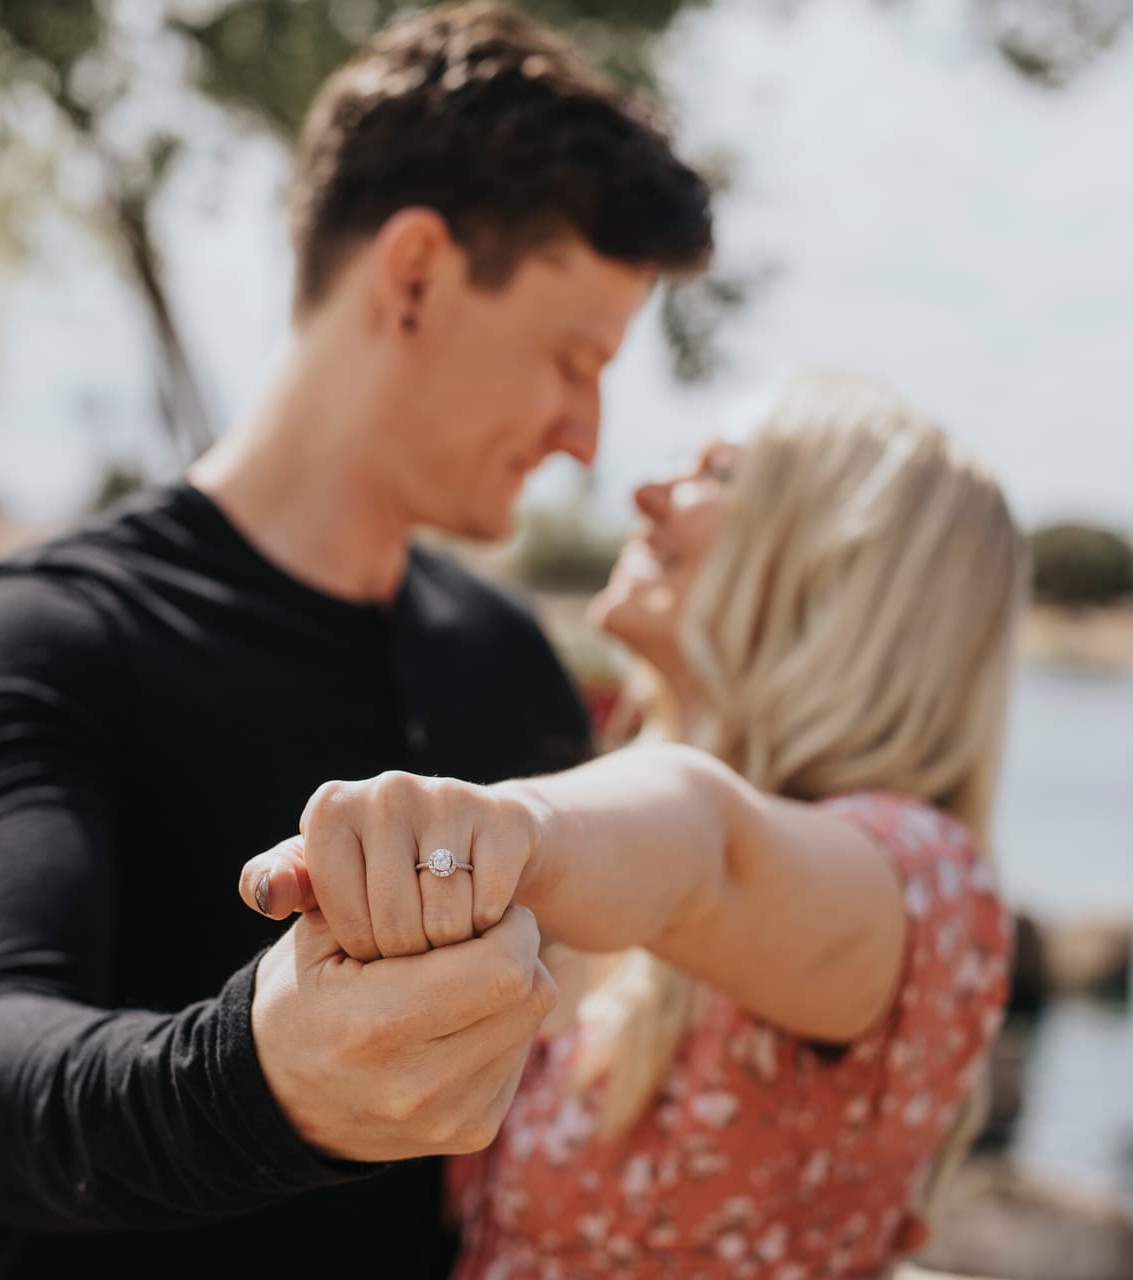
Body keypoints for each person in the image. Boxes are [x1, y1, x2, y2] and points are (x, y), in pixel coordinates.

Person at [0, 6, 712, 1277]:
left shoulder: (509, 661)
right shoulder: (58, 624)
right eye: (573, 358)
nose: (586, 436)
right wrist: (258, 1077)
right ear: (415, 276)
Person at [241, 370, 1025, 1277]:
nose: (646, 491)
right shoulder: (633, 834)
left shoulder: (924, 877)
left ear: (855, 568)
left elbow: (708, 846)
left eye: (718, 472)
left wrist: (506, 827)